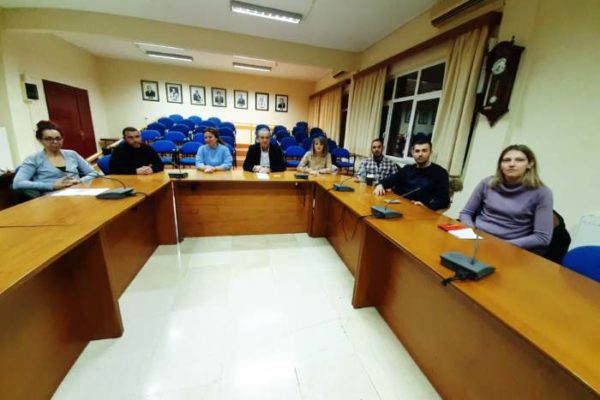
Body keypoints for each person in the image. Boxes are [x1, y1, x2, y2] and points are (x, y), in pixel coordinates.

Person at [459, 144, 553, 253]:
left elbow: (542, 237)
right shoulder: (487, 183)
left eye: (519, 160)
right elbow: (466, 213)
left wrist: (502, 246)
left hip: (509, 248)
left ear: (530, 164)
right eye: (506, 160)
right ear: (501, 165)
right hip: (476, 239)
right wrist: (472, 233)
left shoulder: (542, 192)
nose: (511, 164)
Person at [12, 120, 96, 199]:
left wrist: (80, 181)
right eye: (49, 139)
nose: (55, 142)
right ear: (40, 140)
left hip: (79, 194)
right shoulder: (33, 159)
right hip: (52, 199)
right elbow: (17, 183)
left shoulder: (72, 154)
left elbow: (93, 173)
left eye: (58, 138)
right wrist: (52, 185)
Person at [373, 139, 449, 211]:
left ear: (430, 152)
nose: (420, 154)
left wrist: (427, 207)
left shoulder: (440, 173)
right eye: (417, 151)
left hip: (419, 212)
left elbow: (444, 200)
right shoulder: (407, 169)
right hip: (397, 207)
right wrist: (381, 185)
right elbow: (389, 180)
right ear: (413, 153)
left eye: (424, 151)